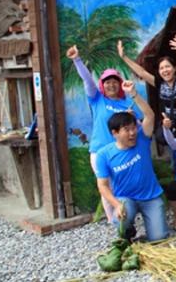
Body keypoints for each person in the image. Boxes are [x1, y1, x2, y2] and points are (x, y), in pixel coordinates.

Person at [66, 44, 142, 222]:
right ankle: (113, 221)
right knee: (106, 187)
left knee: (121, 186)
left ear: (120, 84)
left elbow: (137, 127)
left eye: (115, 81)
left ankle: (126, 216)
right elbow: (87, 81)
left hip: (121, 151)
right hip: (100, 150)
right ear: (102, 85)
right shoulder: (97, 99)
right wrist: (76, 59)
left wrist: (134, 119)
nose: (111, 85)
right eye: (107, 82)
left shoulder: (127, 103)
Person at [94, 80, 168, 241]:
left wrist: (133, 94)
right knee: (121, 220)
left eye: (133, 128)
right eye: (126, 130)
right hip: (126, 199)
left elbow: (150, 115)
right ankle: (128, 230)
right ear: (114, 133)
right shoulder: (103, 155)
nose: (132, 133)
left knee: (159, 238)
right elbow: (103, 185)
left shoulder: (142, 139)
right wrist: (116, 204)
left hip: (150, 197)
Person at [118, 39, 176, 133]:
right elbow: (142, 73)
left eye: (167, 66)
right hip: (170, 127)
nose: (165, 70)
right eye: (161, 68)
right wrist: (124, 57)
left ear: (174, 68)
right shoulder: (160, 84)